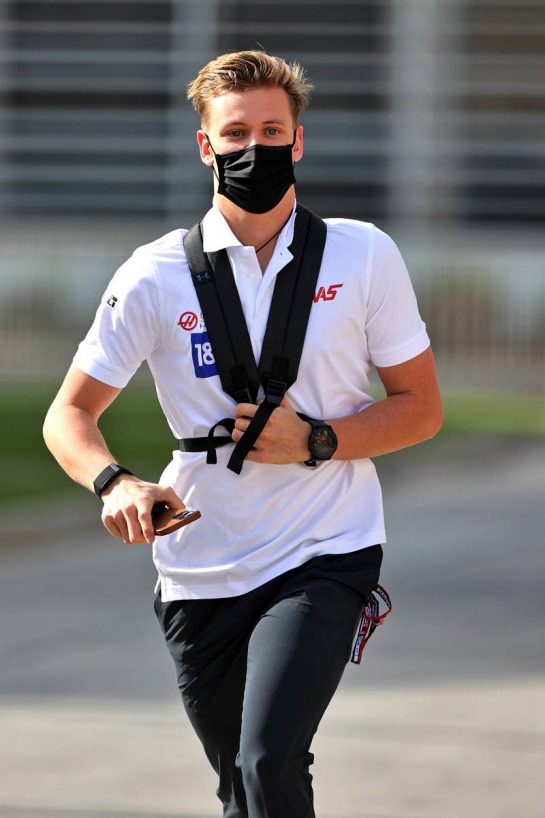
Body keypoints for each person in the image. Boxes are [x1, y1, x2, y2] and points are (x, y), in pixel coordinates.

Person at [43, 50, 442, 818]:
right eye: (234, 133)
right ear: (205, 145)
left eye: (271, 129)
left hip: (324, 547)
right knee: (240, 788)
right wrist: (114, 481)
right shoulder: (153, 273)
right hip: (199, 563)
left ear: (297, 141)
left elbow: (419, 408)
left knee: (269, 760)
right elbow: (69, 414)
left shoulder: (363, 255)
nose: (253, 148)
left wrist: (315, 441)